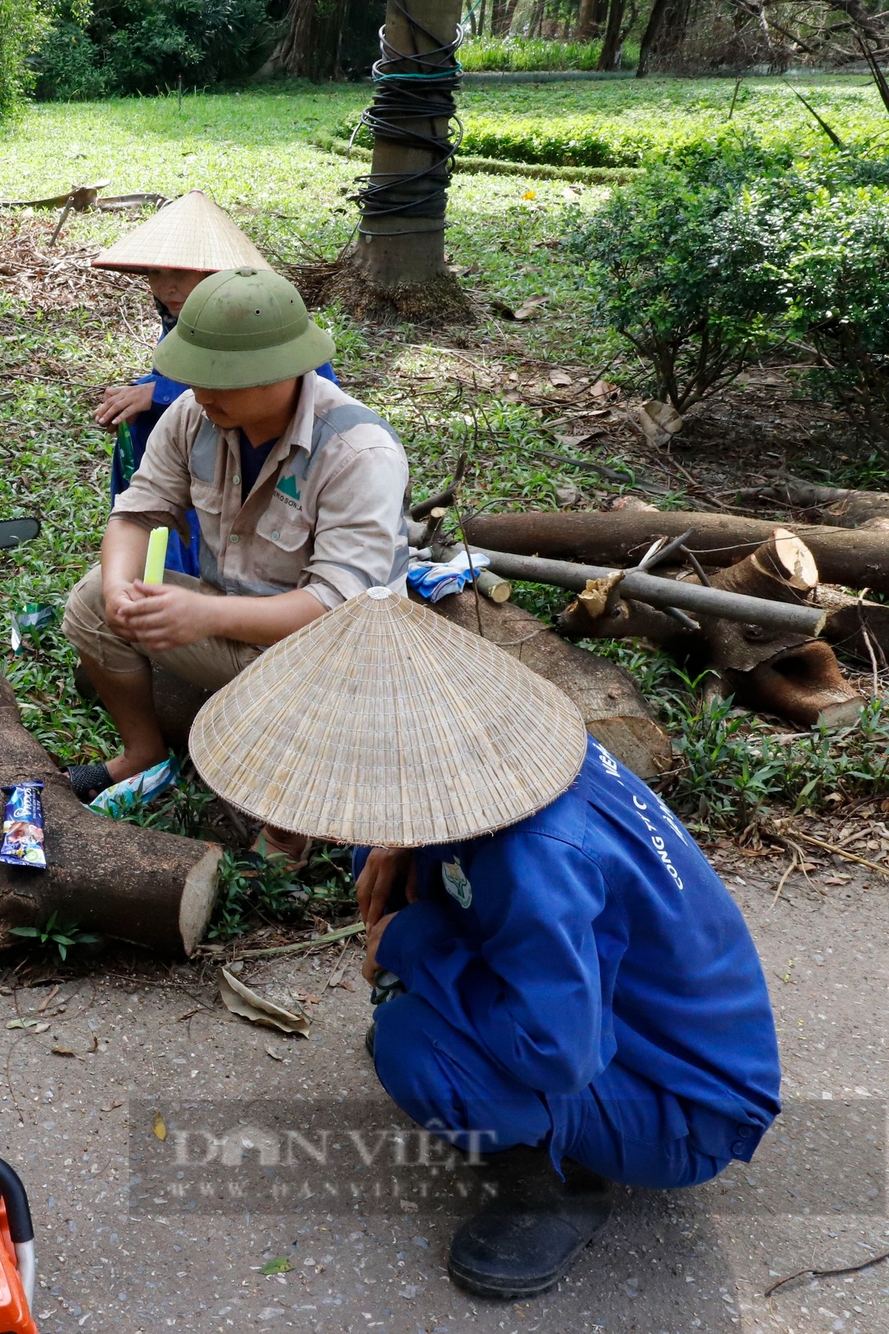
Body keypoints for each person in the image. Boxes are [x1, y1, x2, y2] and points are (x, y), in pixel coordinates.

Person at [187, 587, 782, 1301]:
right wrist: (401, 852)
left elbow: (558, 1052)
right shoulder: (529, 759)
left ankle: (554, 1187)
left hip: (687, 1112)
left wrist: (409, 942)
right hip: (621, 1019)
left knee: (413, 1044)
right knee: (383, 874)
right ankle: (501, 1079)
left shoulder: (536, 863)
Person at [61, 266, 408, 865]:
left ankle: (290, 826)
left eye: (224, 379)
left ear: (287, 370)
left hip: (341, 662)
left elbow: (338, 607)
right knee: (93, 600)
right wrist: (121, 588)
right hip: (238, 632)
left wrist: (204, 613)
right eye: (195, 375)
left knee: (325, 719)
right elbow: (139, 513)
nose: (202, 391)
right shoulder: (196, 415)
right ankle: (145, 753)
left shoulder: (358, 453)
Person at [89, 191, 337, 578]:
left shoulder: (261, 319)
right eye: (155, 273)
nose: (166, 287)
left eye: (180, 273)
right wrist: (139, 395)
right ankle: (164, 564)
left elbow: (287, 392)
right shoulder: (181, 320)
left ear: (214, 273)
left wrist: (159, 394)